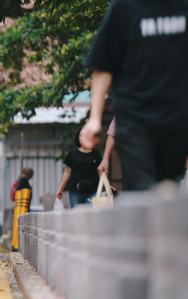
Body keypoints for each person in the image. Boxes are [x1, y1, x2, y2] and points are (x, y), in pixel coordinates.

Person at [81, 0, 188, 191]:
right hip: (135, 120)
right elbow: (103, 66)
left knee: (167, 188)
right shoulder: (125, 7)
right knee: (144, 190)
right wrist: (95, 118)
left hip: (177, 120)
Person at [56, 127, 102, 208]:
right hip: (75, 192)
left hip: (93, 191)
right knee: (77, 216)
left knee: (91, 216)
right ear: (78, 137)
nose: (82, 137)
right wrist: (60, 188)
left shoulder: (96, 154)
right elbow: (67, 172)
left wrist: (107, 185)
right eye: (80, 135)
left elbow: (100, 171)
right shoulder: (72, 154)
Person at [11, 168, 33, 251]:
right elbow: (26, 193)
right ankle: (17, 246)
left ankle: (15, 245)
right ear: (28, 175)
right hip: (22, 208)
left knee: (17, 225)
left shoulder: (19, 180)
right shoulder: (24, 181)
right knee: (20, 226)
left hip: (18, 207)